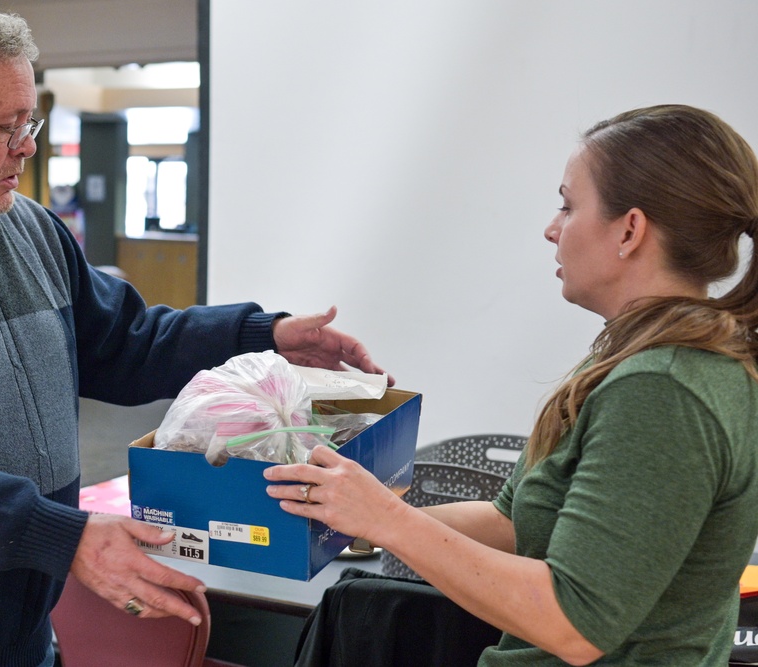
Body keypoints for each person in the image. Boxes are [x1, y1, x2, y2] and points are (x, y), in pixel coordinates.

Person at [0, 2, 392, 666]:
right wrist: (66, 538)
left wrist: (264, 334)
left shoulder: (28, 229)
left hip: (20, 639)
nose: (27, 145)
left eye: (29, 121)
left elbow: (127, 342)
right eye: (5, 126)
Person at [266, 104, 758, 666]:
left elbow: (575, 623)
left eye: (569, 207)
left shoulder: (664, 389)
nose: (552, 228)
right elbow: (511, 523)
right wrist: (351, 516)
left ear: (630, 229)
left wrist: (387, 519)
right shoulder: (645, 359)